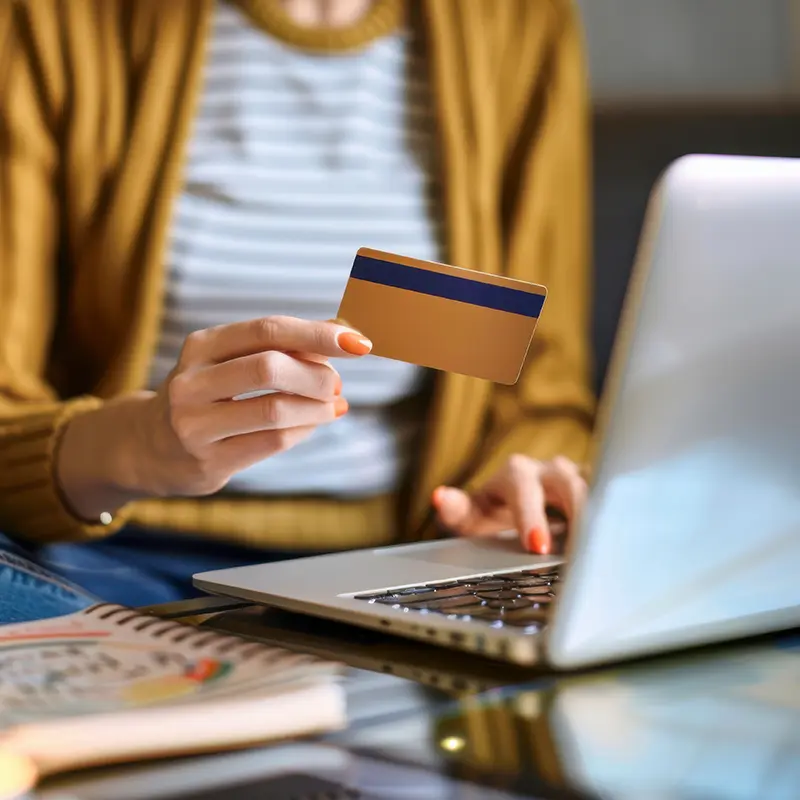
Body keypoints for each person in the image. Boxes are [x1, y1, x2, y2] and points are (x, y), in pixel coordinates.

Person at [0, 0, 595, 609]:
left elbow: (541, 389)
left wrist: (511, 497)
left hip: (408, 558)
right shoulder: (51, 19)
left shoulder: (516, 20)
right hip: (109, 557)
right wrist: (139, 447)